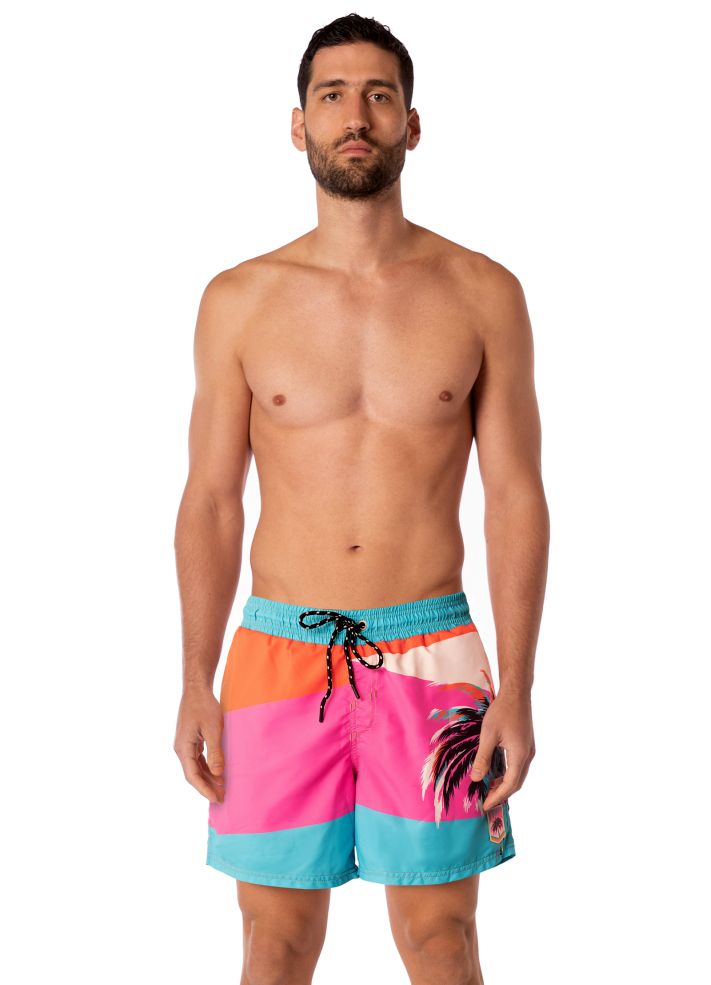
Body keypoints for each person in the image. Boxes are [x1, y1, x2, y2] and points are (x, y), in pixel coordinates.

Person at [173, 12, 549, 985]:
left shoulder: (482, 292)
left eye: (379, 96)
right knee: (274, 943)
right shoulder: (239, 299)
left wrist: (518, 685)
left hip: (433, 650)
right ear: (297, 124)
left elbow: (514, 495)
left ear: (411, 125)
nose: (356, 116)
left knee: (441, 938)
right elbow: (211, 499)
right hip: (276, 655)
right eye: (332, 95)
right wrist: (195, 675)